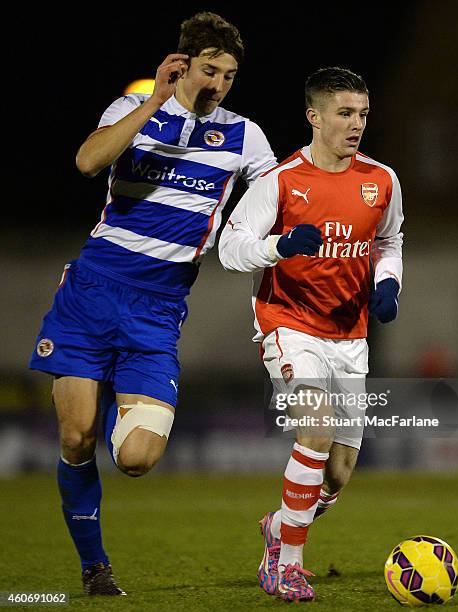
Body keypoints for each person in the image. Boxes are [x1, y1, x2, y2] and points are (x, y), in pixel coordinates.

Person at [29, 12, 276, 596]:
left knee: (137, 458)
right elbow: (89, 162)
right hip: (92, 291)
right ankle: (95, 569)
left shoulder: (245, 136)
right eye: (209, 70)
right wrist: (154, 102)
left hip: (158, 308)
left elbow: (277, 196)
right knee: (74, 439)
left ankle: (119, 394)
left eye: (230, 74)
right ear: (183, 64)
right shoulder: (131, 110)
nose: (218, 83)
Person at [218, 66, 404, 601]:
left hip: (351, 335)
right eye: (345, 113)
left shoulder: (382, 180)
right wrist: (279, 247)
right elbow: (230, 249)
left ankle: (279, 526)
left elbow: (390, 241)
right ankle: (287, 565)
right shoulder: (279, 181)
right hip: (289, 324)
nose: (356, 124)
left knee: (338, 474)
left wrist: (388, 284)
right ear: (314, 116)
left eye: (363, 114)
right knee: (315, 431)